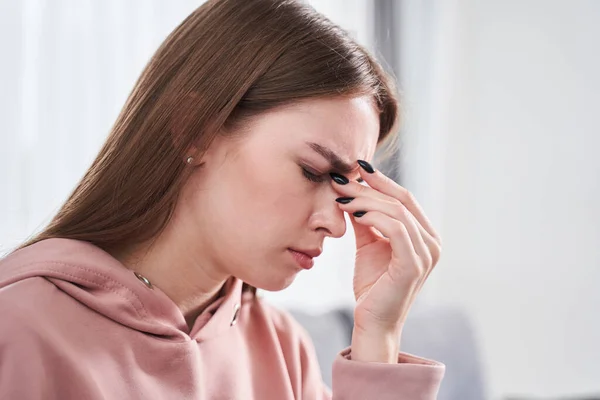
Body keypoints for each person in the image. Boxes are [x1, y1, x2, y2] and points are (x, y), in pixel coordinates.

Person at [0, 0, 445, 398]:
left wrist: (379, 335)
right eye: (312, 171)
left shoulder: (283, 351)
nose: (336, 223)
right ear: (196, 128)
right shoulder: (20, 332)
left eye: (346, 186)